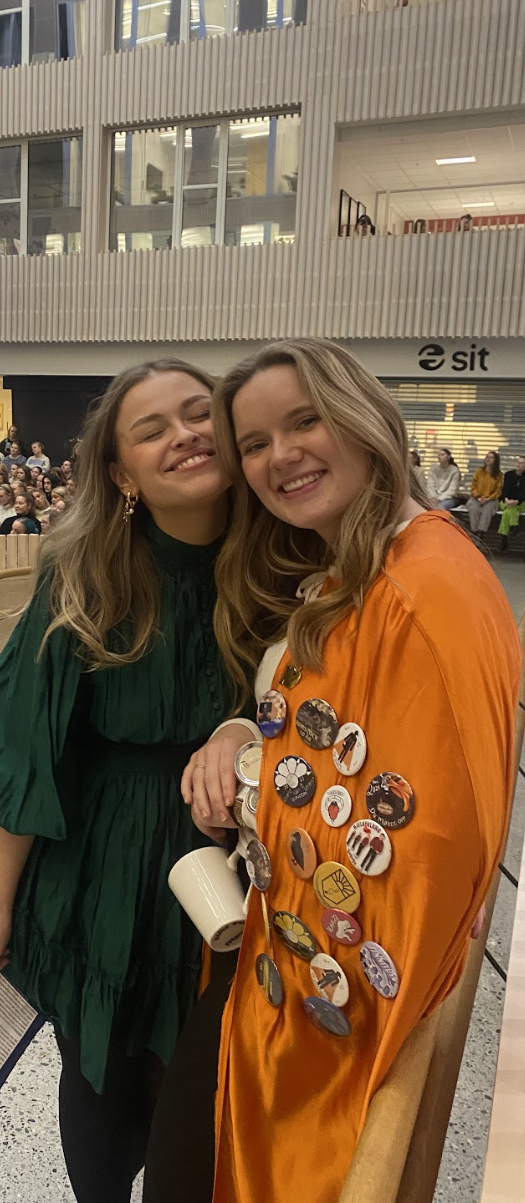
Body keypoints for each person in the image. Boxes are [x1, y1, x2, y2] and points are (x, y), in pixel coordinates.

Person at [149, 339, 520, 1203]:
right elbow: (320, 737)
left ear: (362, 419)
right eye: (254, 443)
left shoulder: (421, 590)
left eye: (304, 421)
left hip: (324, 1019)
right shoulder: (358, 569)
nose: (281, 456)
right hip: (275, 963)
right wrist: (241, 743)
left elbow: (424, 842)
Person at [0, 359, 235, 1203]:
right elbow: (28, 746)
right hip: (105, 855)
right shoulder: (88, 573)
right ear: (122, 473)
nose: (185, 435)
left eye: (199, 413)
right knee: (103, 1073)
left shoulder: (278, 560)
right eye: (152, 429)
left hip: (230, 851)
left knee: (199, 1079)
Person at [467, 450, 503, 535]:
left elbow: (498, 490)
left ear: (496, 460)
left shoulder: (499, 475)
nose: (488, 459)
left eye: (491, 457)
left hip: (491, 499)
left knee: (487, 510)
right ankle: (474, 531)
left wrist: (488, 498)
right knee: (474, 509)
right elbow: (473, 486)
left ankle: (481, 532)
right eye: (487, 457)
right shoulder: (479, 471)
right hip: (477, 498)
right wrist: (478, 497)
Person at [496, 454, 525, 551]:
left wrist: (517, 501)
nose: (519, 465)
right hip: (507, 501)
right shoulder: (509, 475)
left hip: (521, 503)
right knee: (510, 509)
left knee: (508, 512)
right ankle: (513, 527)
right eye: (518, 462)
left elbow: (523, 493)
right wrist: (507, 500)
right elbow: (504, 490)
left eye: (522, 463)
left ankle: (504, 538)